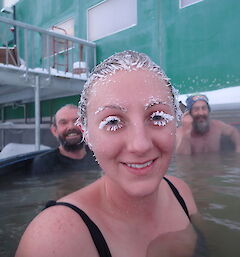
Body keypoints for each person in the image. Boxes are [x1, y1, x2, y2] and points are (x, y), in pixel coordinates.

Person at [16, 51, 204, 257]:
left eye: (157, 116)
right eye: (113, 121)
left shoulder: (181, 192)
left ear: (175, 123)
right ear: (86, 134)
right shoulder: (54, 239)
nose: (140, 145)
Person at [31, 104, 99, 174]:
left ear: (86, 126)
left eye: (77, 121)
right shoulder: (44, 163)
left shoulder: (98, 155)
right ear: (55, 131)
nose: (71, 127)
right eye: (63, 123)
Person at [176, 94, 240, 154]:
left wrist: (239, 146)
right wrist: (186, 133)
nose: (201, 113)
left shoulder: (217, 126)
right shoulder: (180, 133)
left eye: (204, 108)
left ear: (208, 110)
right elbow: (183, 160)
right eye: (196, 109)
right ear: (190, 113)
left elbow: (233, 131)